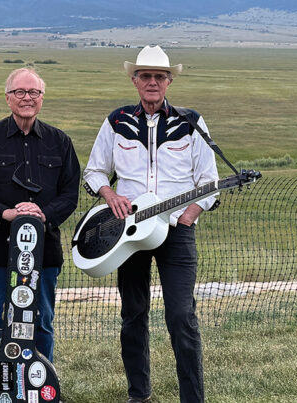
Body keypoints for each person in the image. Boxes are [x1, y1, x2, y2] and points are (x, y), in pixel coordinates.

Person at [83, 45, 219, 403]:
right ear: (135, 80)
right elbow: (94, 170)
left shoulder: (191, 122)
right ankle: (138, 395)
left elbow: (209, 180)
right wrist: (109, 195)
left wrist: (190, 215)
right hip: (128, 233)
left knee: (181, 317)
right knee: (133, 315)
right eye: (146, 76)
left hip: (176, 233)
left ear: (169, 80)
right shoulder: (116, 122)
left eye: (159, 76)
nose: (153, 83)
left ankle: (193, 398)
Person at [0, 68, 80, 363]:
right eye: (20, 92)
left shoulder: (60, 142)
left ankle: (41, 388)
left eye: (34, 92)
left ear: (42, 98)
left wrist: (43, 214)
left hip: (45, 252)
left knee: (41, 323)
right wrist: (7, 214)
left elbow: (70, 195)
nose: (27, 98)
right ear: (7, 98)